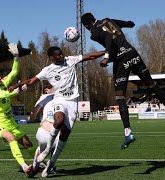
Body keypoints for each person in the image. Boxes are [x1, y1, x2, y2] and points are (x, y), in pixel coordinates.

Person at [81, 12, 165, 150]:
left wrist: (107, 56)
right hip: (132, 53)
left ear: (87, 24)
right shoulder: (108, 20)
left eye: (86, 26)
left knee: (120, 96)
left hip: (122, 60)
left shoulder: (94, 32)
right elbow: (127, 24)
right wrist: (129, 24)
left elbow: (108, 36)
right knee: (151, 83)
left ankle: (128, 133)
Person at [9, 46, 105, 177]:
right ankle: (48, 148)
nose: (61, 56)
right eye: (58, 55)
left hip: (73, 102)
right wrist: (17, 85)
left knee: (65, 134)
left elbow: (89, 56)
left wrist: (106, 51)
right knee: (58, 120)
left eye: (61, 53)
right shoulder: (47, 70)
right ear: (51, 57)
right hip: (60, 100)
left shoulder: (70, 60)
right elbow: (32, 80)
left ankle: (51, 163)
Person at [0, 43, 35, 175]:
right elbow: (5, 94)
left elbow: (14, 72)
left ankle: (38, 163)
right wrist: (18, 91)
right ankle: (24, 166)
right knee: (11, 138)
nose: (0, 78)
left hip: (11, 123)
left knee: (28, 144)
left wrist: (16, 57)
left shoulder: (2, 83)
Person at [28, 85, 58, 177]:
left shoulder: (44, 97)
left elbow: (35, 110)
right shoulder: (62, 98)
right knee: (54, 148)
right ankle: (49, 166)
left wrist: (31, 118)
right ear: (47, 90)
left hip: (44, 131)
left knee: (41, 148)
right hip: (56, 132)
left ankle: (35, 166)